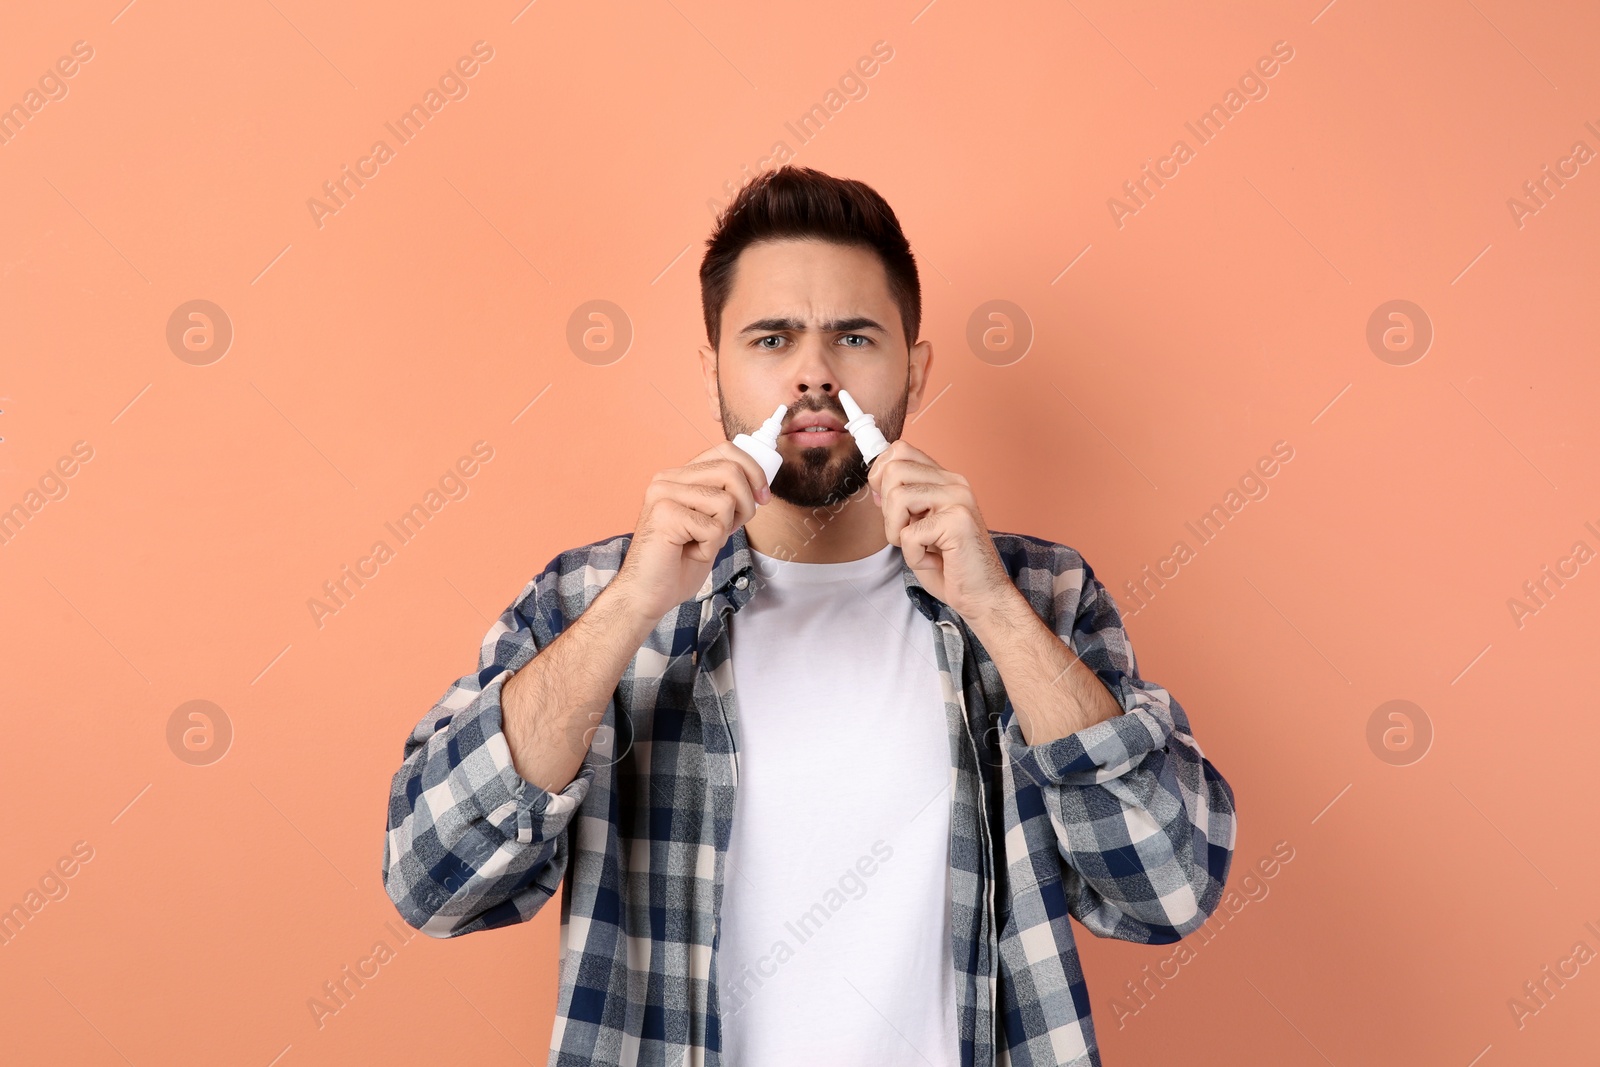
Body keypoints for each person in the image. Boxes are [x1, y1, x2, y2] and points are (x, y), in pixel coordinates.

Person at [381, 164, 1237, 1066]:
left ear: (915, 363)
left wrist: (992, 604)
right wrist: (629, 604)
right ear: (714, 367)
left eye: (854, 337)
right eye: (771, 339)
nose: (814, 375)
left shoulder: (1044, 594)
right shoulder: (588, 598)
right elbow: (429, 881)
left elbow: (1170, 889)